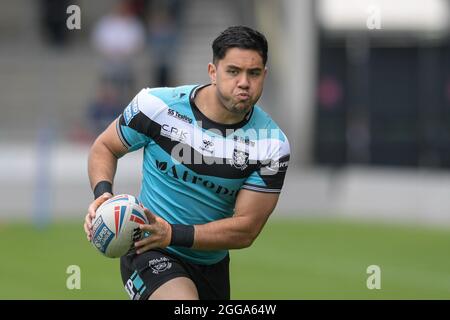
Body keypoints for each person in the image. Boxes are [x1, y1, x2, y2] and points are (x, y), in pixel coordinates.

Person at [84, 25, 290, 300]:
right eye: (233, 71)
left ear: (264, 75)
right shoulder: (157, 106)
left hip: (210, 264)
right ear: (213, 72)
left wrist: (172, 233)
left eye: (253, 73)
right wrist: (103, 195)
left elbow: (245, 229)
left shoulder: (271, 145)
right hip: (148, 248)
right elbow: (105, 146)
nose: (244, 82)